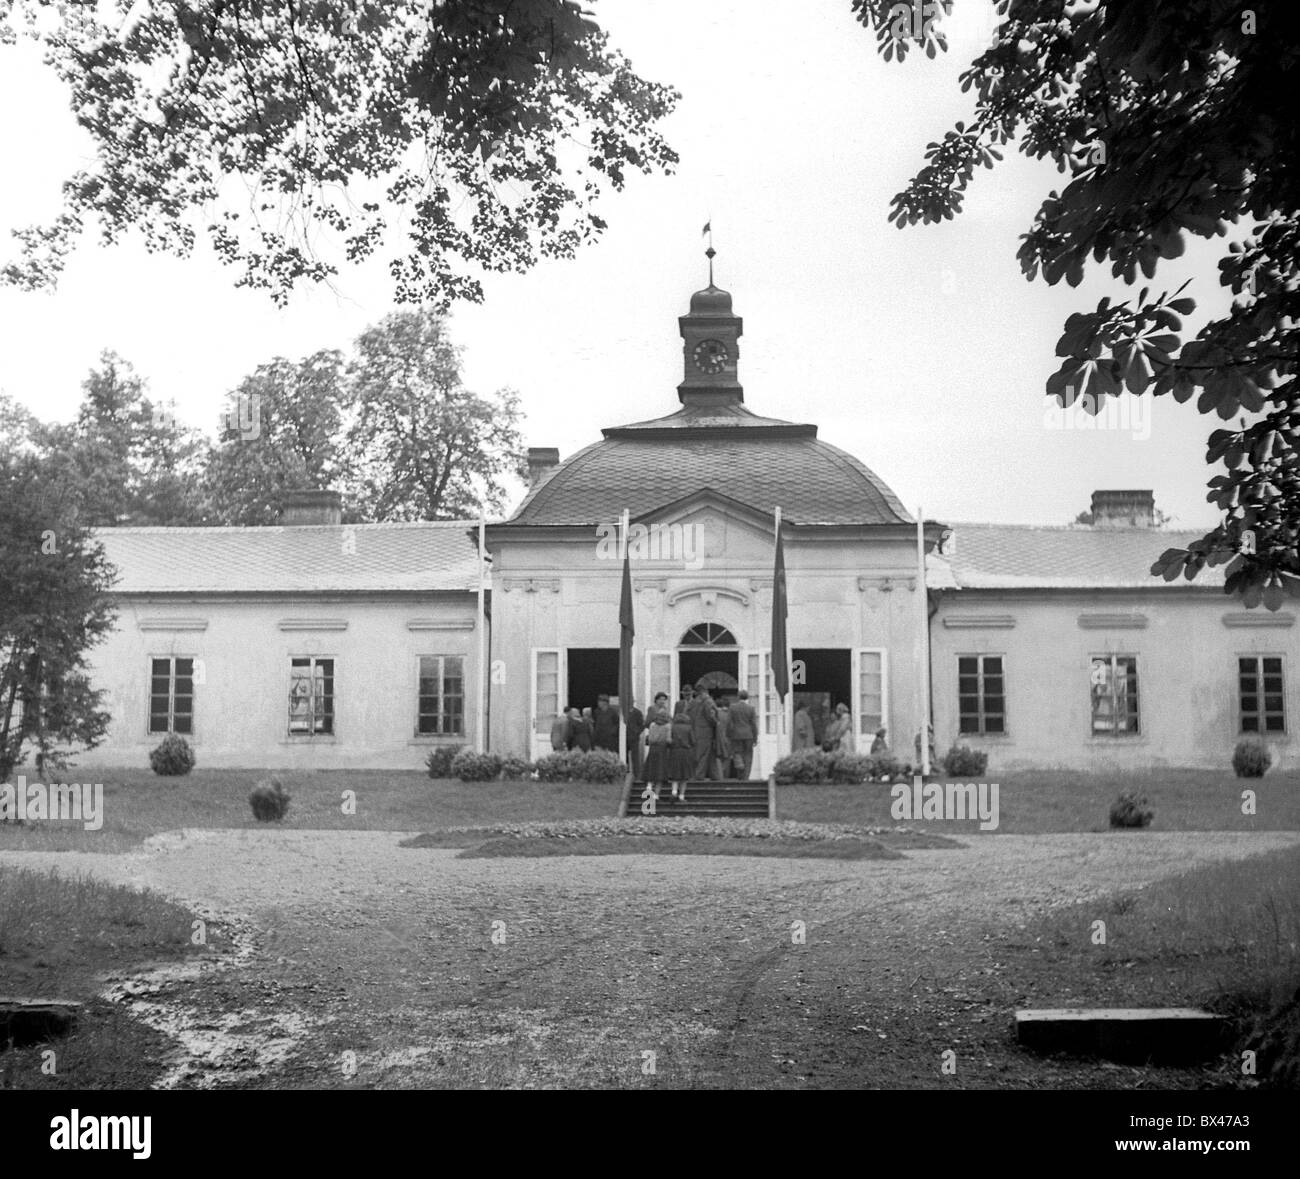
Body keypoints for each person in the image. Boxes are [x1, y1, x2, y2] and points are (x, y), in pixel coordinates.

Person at [666, 689, 696, 800]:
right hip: (685, 751)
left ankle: (674, 792)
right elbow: (693, 741)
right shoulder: (688, 728)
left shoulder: (672, 727)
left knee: (675, 774)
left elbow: (668, 740)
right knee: (684, 776)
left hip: (674, 751)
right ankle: (682, 796)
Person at [687, 680, 719, 782]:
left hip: (693, 730)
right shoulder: (708, 701)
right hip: (706, 731)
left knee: (698, 753)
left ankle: (715, 775)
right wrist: (717, 723)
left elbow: (686, 715)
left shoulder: (692, 703)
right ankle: (699, 775)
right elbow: (711, 715)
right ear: (706, 691)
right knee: (704, 754)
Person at [641, 693, 672, 796]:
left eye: (664, 699)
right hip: (660, 745)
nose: (663, 701)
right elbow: (647, 723)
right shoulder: (652, 709)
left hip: (654, 744)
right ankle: (655, 794)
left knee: (653, 767)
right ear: (656, 700)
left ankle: (649, 788)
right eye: (661, 699)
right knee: (659, 769)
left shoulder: (665, 711)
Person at [728, 688, 757, 779]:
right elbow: (753, 724)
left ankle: (740, 772)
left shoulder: (732, 707)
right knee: (748, 755)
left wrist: (729, 734)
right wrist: (755, 738)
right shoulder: (751, 709)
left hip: (736, 734)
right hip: (748, 734)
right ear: (747, 698)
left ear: (738, 697)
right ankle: (746, 776)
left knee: (737, 753)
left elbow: (729, 722)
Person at [713, 699, 733, 779]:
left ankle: (720, 776)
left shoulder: (716, 714)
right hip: (728, 738)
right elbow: (731, 727)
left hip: (718, 738)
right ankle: (725, 776)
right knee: (727, 758)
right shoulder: (729, 714)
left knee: (718, 758)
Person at [627, 700, 645, 779]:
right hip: (624, 738)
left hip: (634, 738)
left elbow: (642, 724)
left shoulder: (637, 712)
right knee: (624, 756)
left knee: (635, 757)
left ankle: (636, 775)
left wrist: (637, 731)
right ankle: (626, 772)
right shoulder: (622, 712)